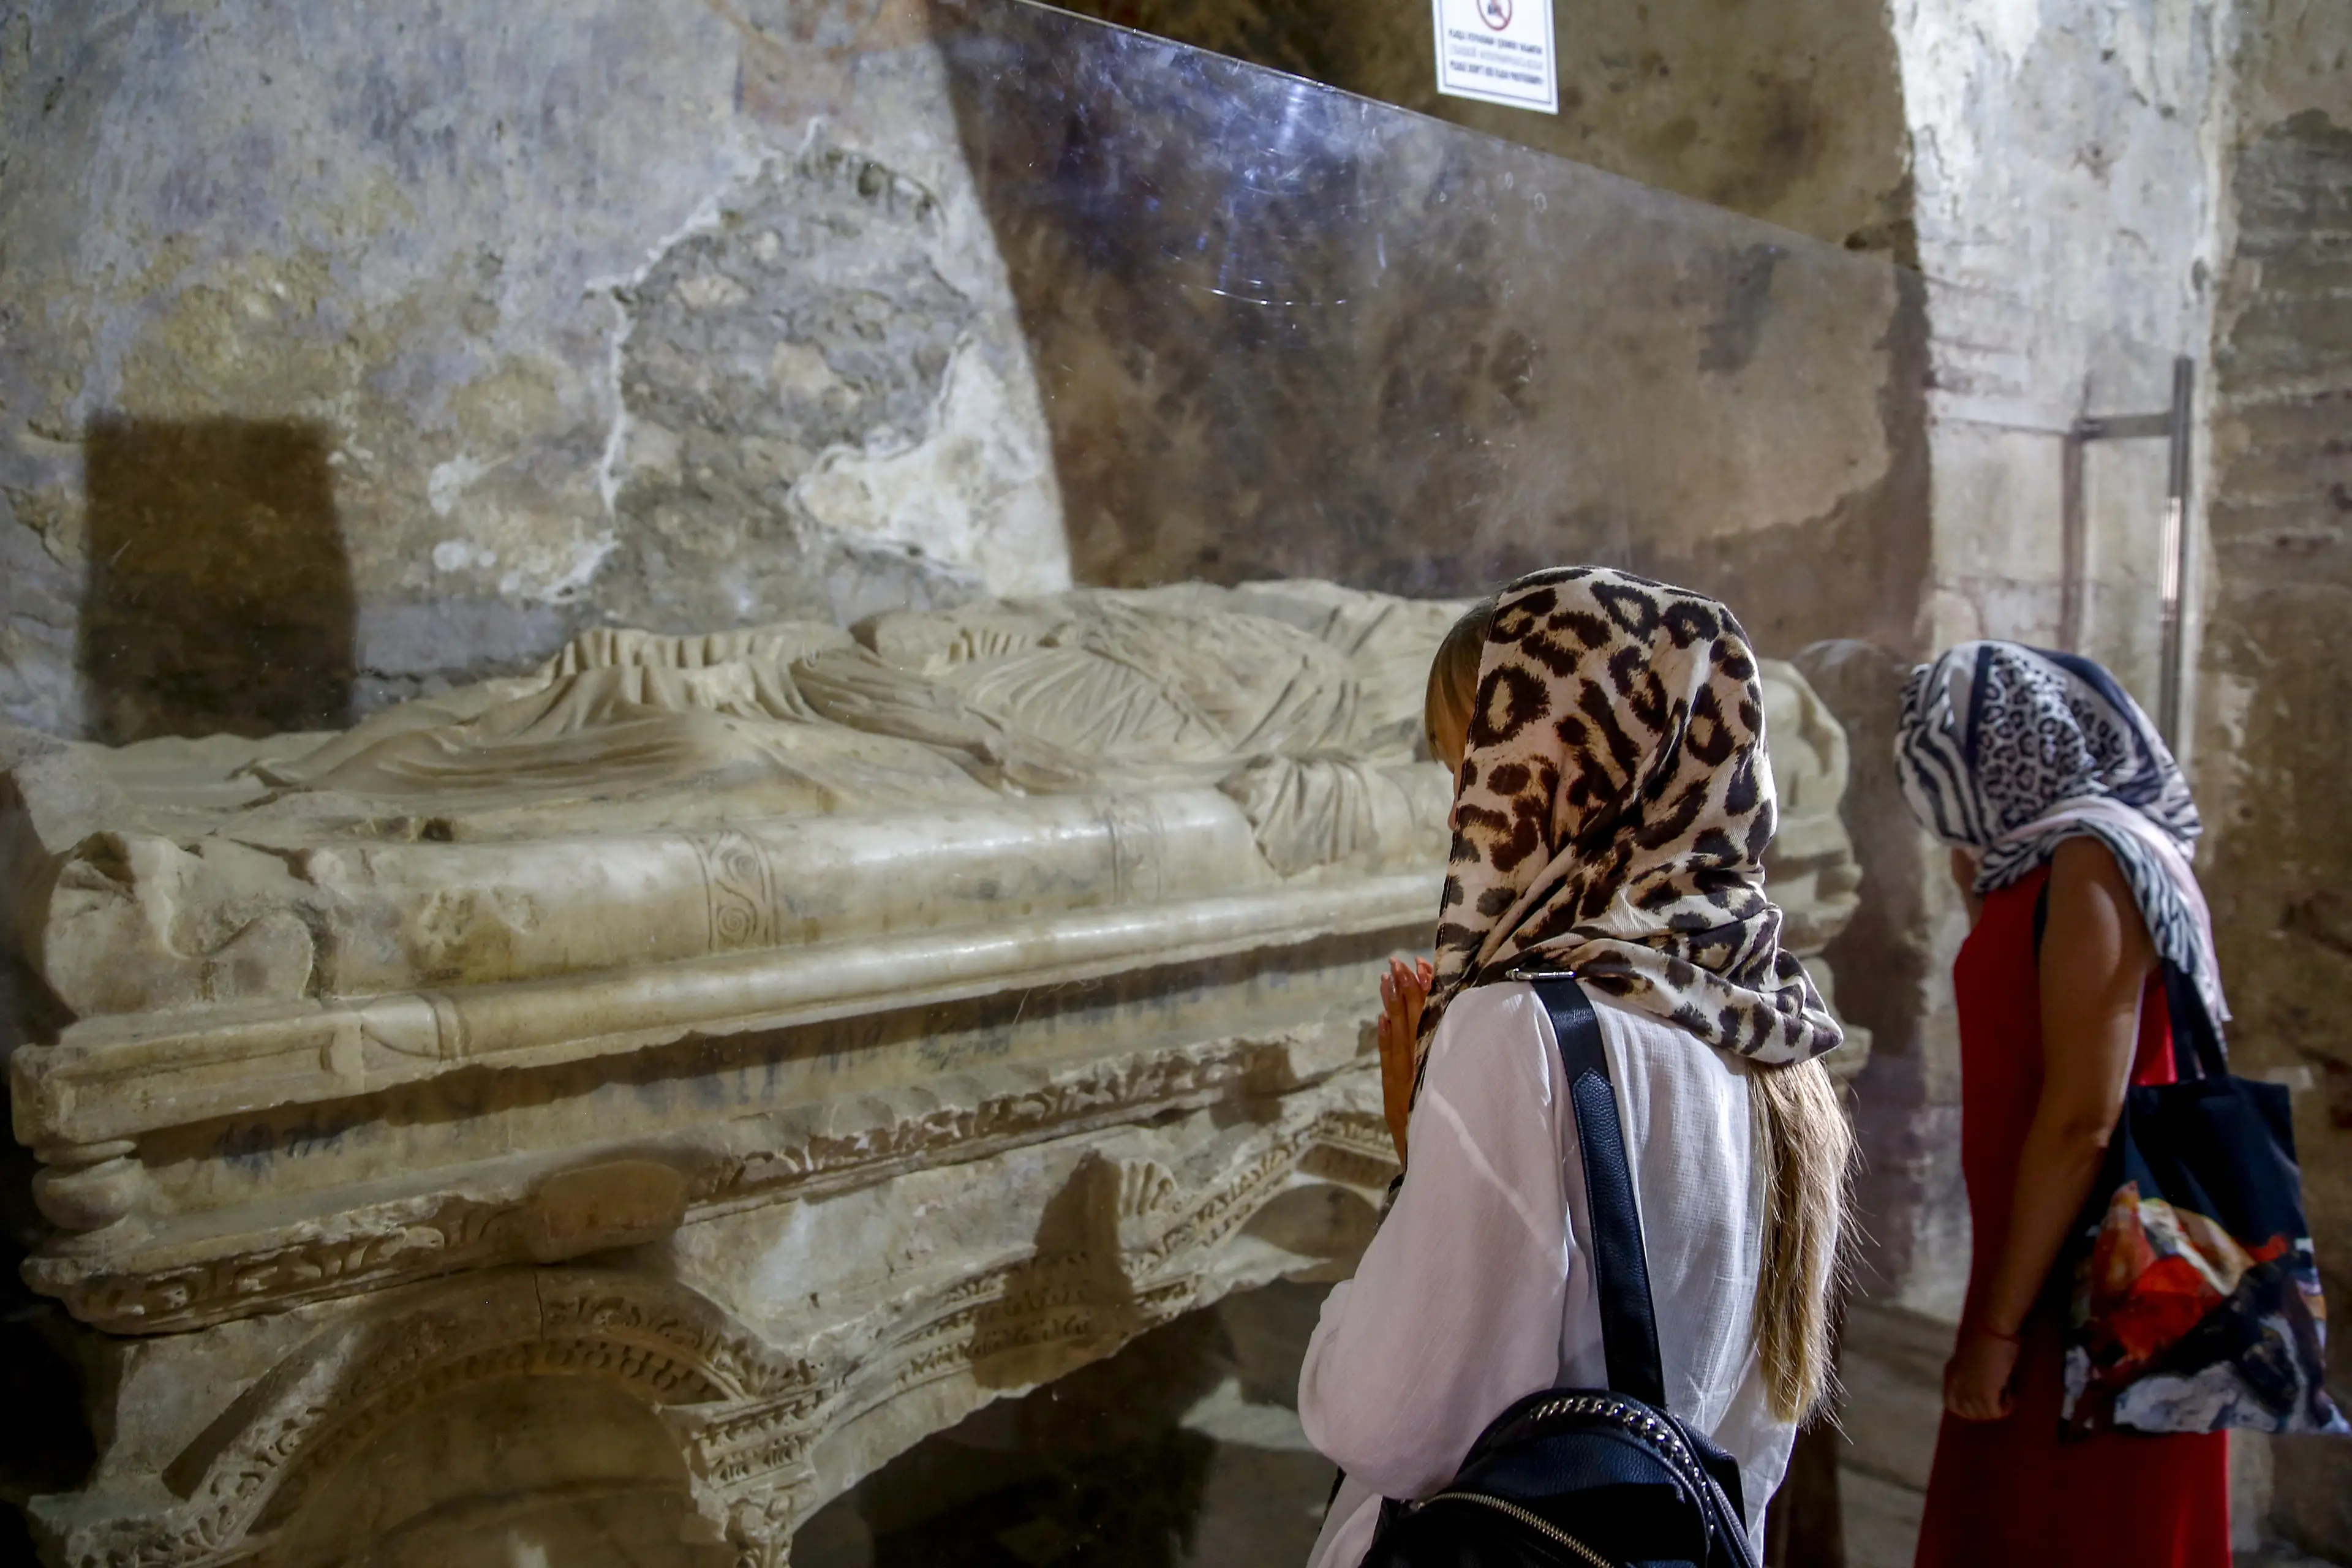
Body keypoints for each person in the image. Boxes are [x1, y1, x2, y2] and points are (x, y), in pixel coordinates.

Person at [1298, 567, 1852, 1567]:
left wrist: (1420, 1164)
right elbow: (1748, 1439)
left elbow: (1385, 1425)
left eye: (1476, 773)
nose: (1461, 820)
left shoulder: (1521, 1029)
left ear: (1567, 777)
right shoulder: (1771, 1030)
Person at [1896, 641, 2232, 1567]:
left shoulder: (2094, 860)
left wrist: (1998, 1329)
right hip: (2045, 1258)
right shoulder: (2047, 861)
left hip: (2092, 1291)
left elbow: (2084, 1116)